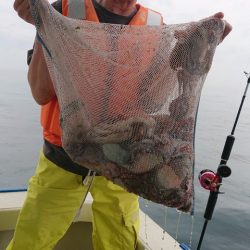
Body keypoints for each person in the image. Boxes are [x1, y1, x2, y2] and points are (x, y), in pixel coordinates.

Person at [10, 0, 232, 249]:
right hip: (62, 163)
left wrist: (193, 49)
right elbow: (41, 93)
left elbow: (150, 103)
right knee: (29, 243)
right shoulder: (64, 10)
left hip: (125, 168)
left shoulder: (156, 27)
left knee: (118, 244)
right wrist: (45, 28)